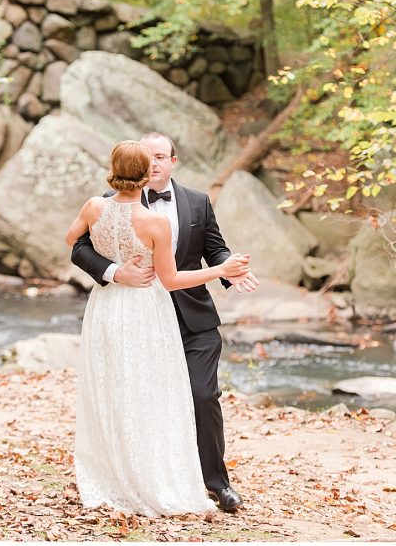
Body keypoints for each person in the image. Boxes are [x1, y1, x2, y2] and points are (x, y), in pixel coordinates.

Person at [69, 131, 258, 513]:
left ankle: (216, 483)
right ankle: (147, 476)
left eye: (160, 156)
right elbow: (79, 247)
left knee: (202, 396)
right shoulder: (106, 206)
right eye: (147, 155)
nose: (154, 162)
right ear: (137, 164)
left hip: (192, 319)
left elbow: (214, 248)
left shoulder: (198, 202)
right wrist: (114, 272)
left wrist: (228, 270)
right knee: (142, 400)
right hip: (135, 320)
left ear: (173, 161)